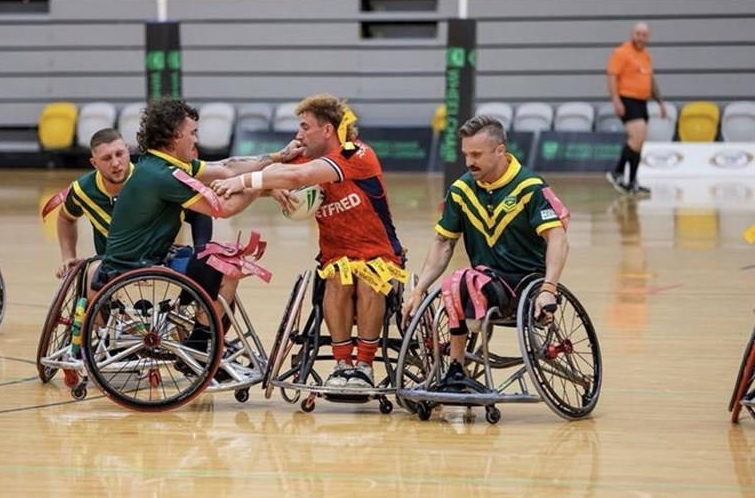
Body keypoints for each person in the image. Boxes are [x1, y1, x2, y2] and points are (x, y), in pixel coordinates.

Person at [212, 93, 406, 389]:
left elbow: (298, 175)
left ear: (327, 130)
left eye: (304, 127)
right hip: (336, 256)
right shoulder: (305, 156)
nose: (298, 134)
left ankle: (364, 367)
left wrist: (246, 183)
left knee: (367, 279)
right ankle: (343, 366)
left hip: (379, 254)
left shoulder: (357, 154)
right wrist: (272, 184)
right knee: (340, 277)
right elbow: (268, 173)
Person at [96, 98, 302, 349]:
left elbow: (227, 168)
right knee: (227, 267)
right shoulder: (165, 176)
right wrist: (262, 182)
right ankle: (200, 344)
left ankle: (204, 338)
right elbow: (224, 208)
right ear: (175, 137)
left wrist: (278, 157)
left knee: (215, 259)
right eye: (192, 133)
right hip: (137, 266)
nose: (195, 140)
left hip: (145, 257)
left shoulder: (158, 163)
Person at [400, 115, 569, 388]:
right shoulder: (461, 190)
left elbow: (558, 239)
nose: (468, 162)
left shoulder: (530, 186)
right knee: (460, 281)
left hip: (525, 284)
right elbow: (443, 244)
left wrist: (549, 288)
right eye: (466, 154)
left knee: (462, 280)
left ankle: (460, 355)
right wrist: (419, 290)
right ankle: (456, 367)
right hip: (481, 282)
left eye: (476, 154)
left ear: (500, 150)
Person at [54, 127, 132, 279]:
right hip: (109, 265)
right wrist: (68, 256)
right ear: (94, 163)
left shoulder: (148, 179)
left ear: (128, 151)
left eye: (119, 154)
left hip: (151, 260)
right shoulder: (83, 190)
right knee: (90, 276)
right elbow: (65, 218)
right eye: (107, 158)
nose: (115, 163)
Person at [605, 21, 666, 196]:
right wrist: (616, 100)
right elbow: (611, 77)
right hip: (627, 99)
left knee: (640, 141)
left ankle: (632, 181)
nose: (641, 37)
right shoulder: (621, 52)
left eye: (644, 34)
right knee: (637, 136)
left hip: (642, 101)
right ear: (633, 34)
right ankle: (616, 172)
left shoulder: (646, 56)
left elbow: (650, 81)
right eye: (638, 33)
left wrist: (660, 102)